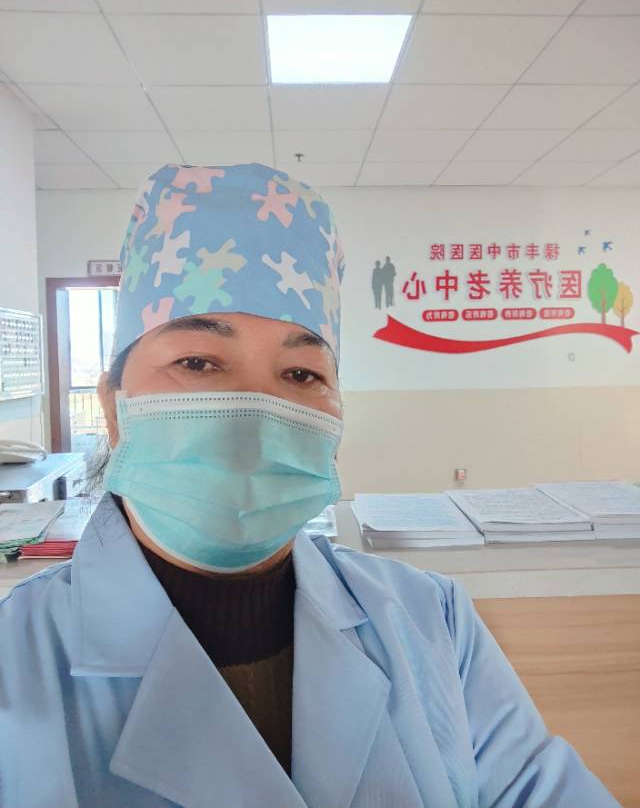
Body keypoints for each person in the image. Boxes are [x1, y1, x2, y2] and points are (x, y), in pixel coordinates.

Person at [0, 163, 620, 808]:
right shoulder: (14, 661)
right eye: (197, 362)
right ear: (112, 407)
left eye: (301, 374)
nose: (255, 412)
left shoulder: (430, 619)